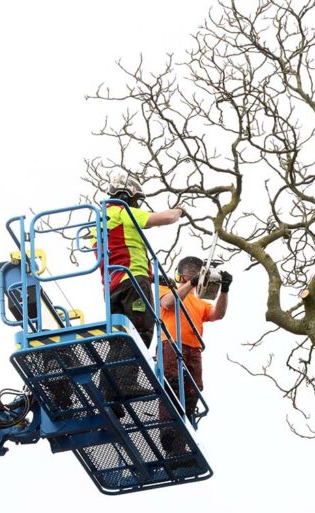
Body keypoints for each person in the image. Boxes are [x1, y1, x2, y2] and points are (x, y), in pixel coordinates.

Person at [97, 174, 185, 348]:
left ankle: (113, 375)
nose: (136, 206)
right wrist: (179, 211)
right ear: (125, 196)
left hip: (112, 288)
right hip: (134, 283)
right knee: (140, 332)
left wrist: (156, 278)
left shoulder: (100, 220)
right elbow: (166, 218)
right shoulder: (122, 211)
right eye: (135, 200)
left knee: (119, 338)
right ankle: (124, 375)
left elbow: (118, 254)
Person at [156, 256, 232, 450]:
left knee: (192, 389)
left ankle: (181, 439)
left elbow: (218, 314)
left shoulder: (198, 302)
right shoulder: (165, 289)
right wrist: (190, 283)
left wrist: (224, 289)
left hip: (193, 350)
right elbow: (168, 304)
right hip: (171, 345)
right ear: (182, 276)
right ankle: (168, 432)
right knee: (172, 384)